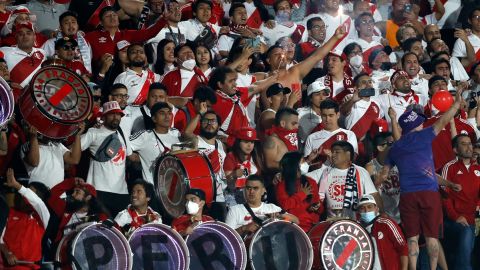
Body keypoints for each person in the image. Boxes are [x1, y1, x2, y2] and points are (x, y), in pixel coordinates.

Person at [380, 89, 465, 270]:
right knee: (431, 238)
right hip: (429, 194)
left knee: (412, 238)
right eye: (420, 123)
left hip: (408, 196)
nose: (422, 125)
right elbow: (443, 120)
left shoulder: (395, 148)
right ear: (415, 125)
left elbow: (384, 174)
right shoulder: (425, 135)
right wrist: (456, 104)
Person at [80, 101, 132, 217]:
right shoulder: (94, 132)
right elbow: (75, 148)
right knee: (98, 228)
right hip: (99, 189)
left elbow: (130, 155)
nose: (116, 117)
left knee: (119, 230)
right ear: (104, 116)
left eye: (118, 114)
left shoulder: (122, 134)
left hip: (121, 192)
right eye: (112, 114)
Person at [441, 134, 480, 270]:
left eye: (470, 143)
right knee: (467, 231)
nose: (469, 146)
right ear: (456, 150)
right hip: (453, 221)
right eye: (463, 144)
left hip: (473, 220)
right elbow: (444, 196)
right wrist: (455, 216)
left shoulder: (478, 169)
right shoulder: (449, 167)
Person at [0, 168, 50, 269]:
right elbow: (0, 239)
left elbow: (37, 203)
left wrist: (17, 186)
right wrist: (7, 253)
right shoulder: (9, 212)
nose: (23, 195)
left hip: (30, 267)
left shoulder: (43, 218)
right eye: (24, 192)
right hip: (6, 266)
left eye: (27, 192)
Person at [225, 174, 298, 236]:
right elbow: (227, 236)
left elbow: (296, 221)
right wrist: (244, 228)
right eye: (248, 188)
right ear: (244, 190)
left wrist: (280, 215)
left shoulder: (272, 208)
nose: (251, 191)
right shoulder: (235, 210)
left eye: (255, 188)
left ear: (263, 191)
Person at [21, 119, 84, 189]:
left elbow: (74, 160)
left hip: (57, 194)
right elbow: (34, 162)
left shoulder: (57, 145)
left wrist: (77, 136)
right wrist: (33, 138)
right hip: (37, 193)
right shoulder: (27, 146)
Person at [129, 102, 181, 184]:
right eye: (162, 113)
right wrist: (136, 158)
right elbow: (124, 145)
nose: (167, 116)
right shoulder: (144, 135)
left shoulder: (176, 133)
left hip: (174, 187)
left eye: (169, 113)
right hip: (153, 189)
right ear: (154, 118)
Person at [47, 177, 109, 244]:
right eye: (73, 192)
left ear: (88, 197)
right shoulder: (65, 208)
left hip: (83, 251)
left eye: (77, 192)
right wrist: (71, 183)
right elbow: (50, 196)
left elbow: (112, 234)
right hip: (60, 250)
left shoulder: (99, 217)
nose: (73, 195)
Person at [357, 194, 408, 270]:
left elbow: (403, 248)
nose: (366, 210)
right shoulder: (356, 229)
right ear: (359, 212)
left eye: (369, 207)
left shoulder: (386, 223)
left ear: (376, 209)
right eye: (362, 208)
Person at [275, 151, 321, 232]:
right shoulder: (281, 185)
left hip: (311, 229)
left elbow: (318, 205)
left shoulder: (311, 182)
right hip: (292, 228)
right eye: (302, 162)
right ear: (293, 166)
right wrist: (302, 194)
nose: (304, 164)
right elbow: (285, 205)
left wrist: (317, 207)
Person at [304, 99, 358, 166]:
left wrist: (334, 158)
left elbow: (353, 158)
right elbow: (306, 163)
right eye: (324, 115)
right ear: (320, 115)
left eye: (331, 115)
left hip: (341, 175)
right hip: (318, 175)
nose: (327, 119)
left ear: (338, 115)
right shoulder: (312, 137)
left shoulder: (349, 134)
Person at [0, 22, 46, 97]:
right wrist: (7, 83)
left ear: (34, 37)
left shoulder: (43, 53)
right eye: (21, 34)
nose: (25, 36)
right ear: (16, 37)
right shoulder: (4, 51)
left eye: (29, 33)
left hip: (39, 99)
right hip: (13, 99)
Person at [365, 132, 401, 224]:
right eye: (390, 144)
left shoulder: (400, 162)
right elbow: (368, 195)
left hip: (403, 215)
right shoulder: (371, 167)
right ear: (380, 147)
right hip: (383, 216)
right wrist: (377, 182)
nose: (394, 146)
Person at [223, 127, 262, 204]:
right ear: (238, 142)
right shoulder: (231, 156)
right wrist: (234, 174)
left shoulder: (256, 156)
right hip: (234, 194)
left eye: (252, 142)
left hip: (252, 193)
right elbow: (227, 180)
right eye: (246, 141)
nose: (249, 145)